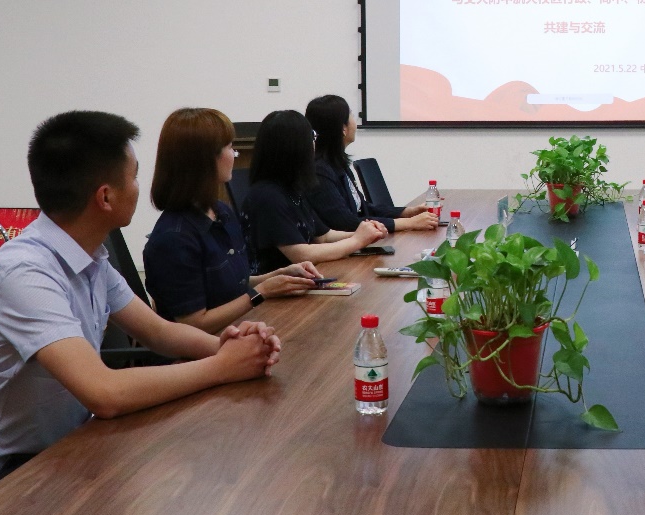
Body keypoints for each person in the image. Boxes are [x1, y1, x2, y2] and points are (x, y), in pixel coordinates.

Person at [0, 111, 281, 479]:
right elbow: (104, 393)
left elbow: (159, 332)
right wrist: (222, 366)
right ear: (105, 196)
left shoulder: (90, 257)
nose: (138, 187)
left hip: (62, 451)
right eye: (133, 176)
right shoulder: (25, 272)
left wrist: (229, 347)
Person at [143, 108, 325, 336]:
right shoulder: (174, 237)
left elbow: (234, 285)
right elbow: (193, 325)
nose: (235, 154)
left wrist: (281, 276)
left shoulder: (221, 212)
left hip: (238, 332)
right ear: (205, 159)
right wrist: (261, 292)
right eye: (230, 147)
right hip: (206, 351)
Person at [241, 110, 386, 274]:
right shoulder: (267, 196)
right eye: (312, 137)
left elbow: (324, 236)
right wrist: (357, 241)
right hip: (277, 286)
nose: (314, 144)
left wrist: (366, 233)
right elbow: (301, 254)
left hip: (303, 279)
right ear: (296, 147)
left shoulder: (292, 189)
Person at [302, 94, 437, 234]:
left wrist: (408, 212)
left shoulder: (336, 163)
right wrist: (409, 223)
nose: (355, 121)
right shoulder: (320, 171)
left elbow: (363, 208)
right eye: (351, 115)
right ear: (343, 129)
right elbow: (345, 222)